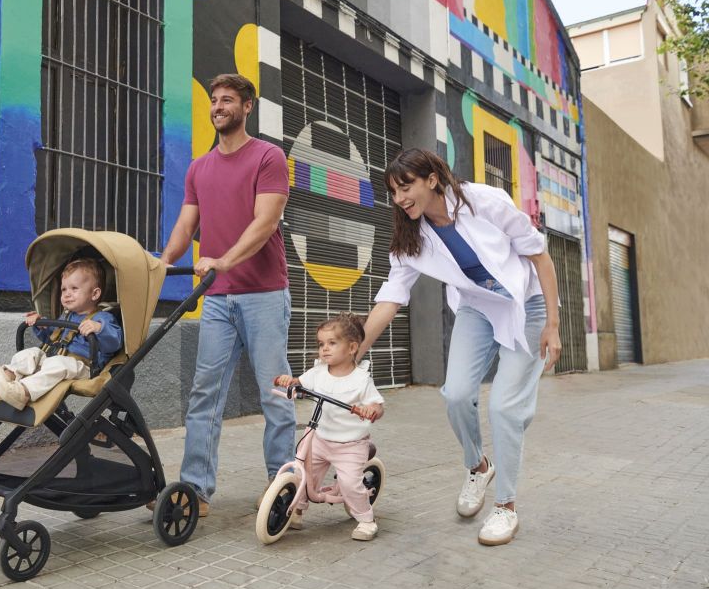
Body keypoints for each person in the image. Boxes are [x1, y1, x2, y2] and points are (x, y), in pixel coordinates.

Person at [356, 148, 561, 546]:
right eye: (394, 192)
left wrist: (552, 324)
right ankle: (478, 467)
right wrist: (353, 353)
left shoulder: (484, 201)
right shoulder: (411, 237)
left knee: (504, 406)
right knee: (456, 394)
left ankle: (505, 507)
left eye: (406, 187)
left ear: (432, 180)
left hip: (528, 303)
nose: (399, 199)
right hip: (478, 307)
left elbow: (540, 256)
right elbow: (390, 299)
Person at [158, 73, 295, 516]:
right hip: (218, 298)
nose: (218, 106)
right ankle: (195, 491)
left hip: (264, 294)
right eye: (215, 100)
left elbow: (265, 222)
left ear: (247, 107)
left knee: (275, 393)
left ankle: (283, 487)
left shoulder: (268, 157)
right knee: (205, 394)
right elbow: (186, 225)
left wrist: (224, 260)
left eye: (228, 100)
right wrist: (163, 262)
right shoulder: (199, 167)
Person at [273, 312, 385, 541]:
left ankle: (366, 520)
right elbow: (298, 383)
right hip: (320, 438)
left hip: (350, 444)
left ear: (352, 347)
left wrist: (371, 409)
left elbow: (377, 404)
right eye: (321, 344)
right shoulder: (318, 372)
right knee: (304, 473)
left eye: (332, 343)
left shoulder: (361, 379)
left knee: (350, 483)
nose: (324, 349)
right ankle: (296, 509)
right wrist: (289, 381)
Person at [0, 258, 123, 410]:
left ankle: (23, 392)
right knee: (32, 353)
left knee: (57, 363)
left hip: (84, 366)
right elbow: (53, 338)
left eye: (74, 288)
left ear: (95, 294)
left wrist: (98, 328)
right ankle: (7, 376)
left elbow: (114, 343)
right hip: (55, 357)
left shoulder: (102, 318)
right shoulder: (67, 316)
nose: (67, 294)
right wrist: (42, 325)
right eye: (64, 289)